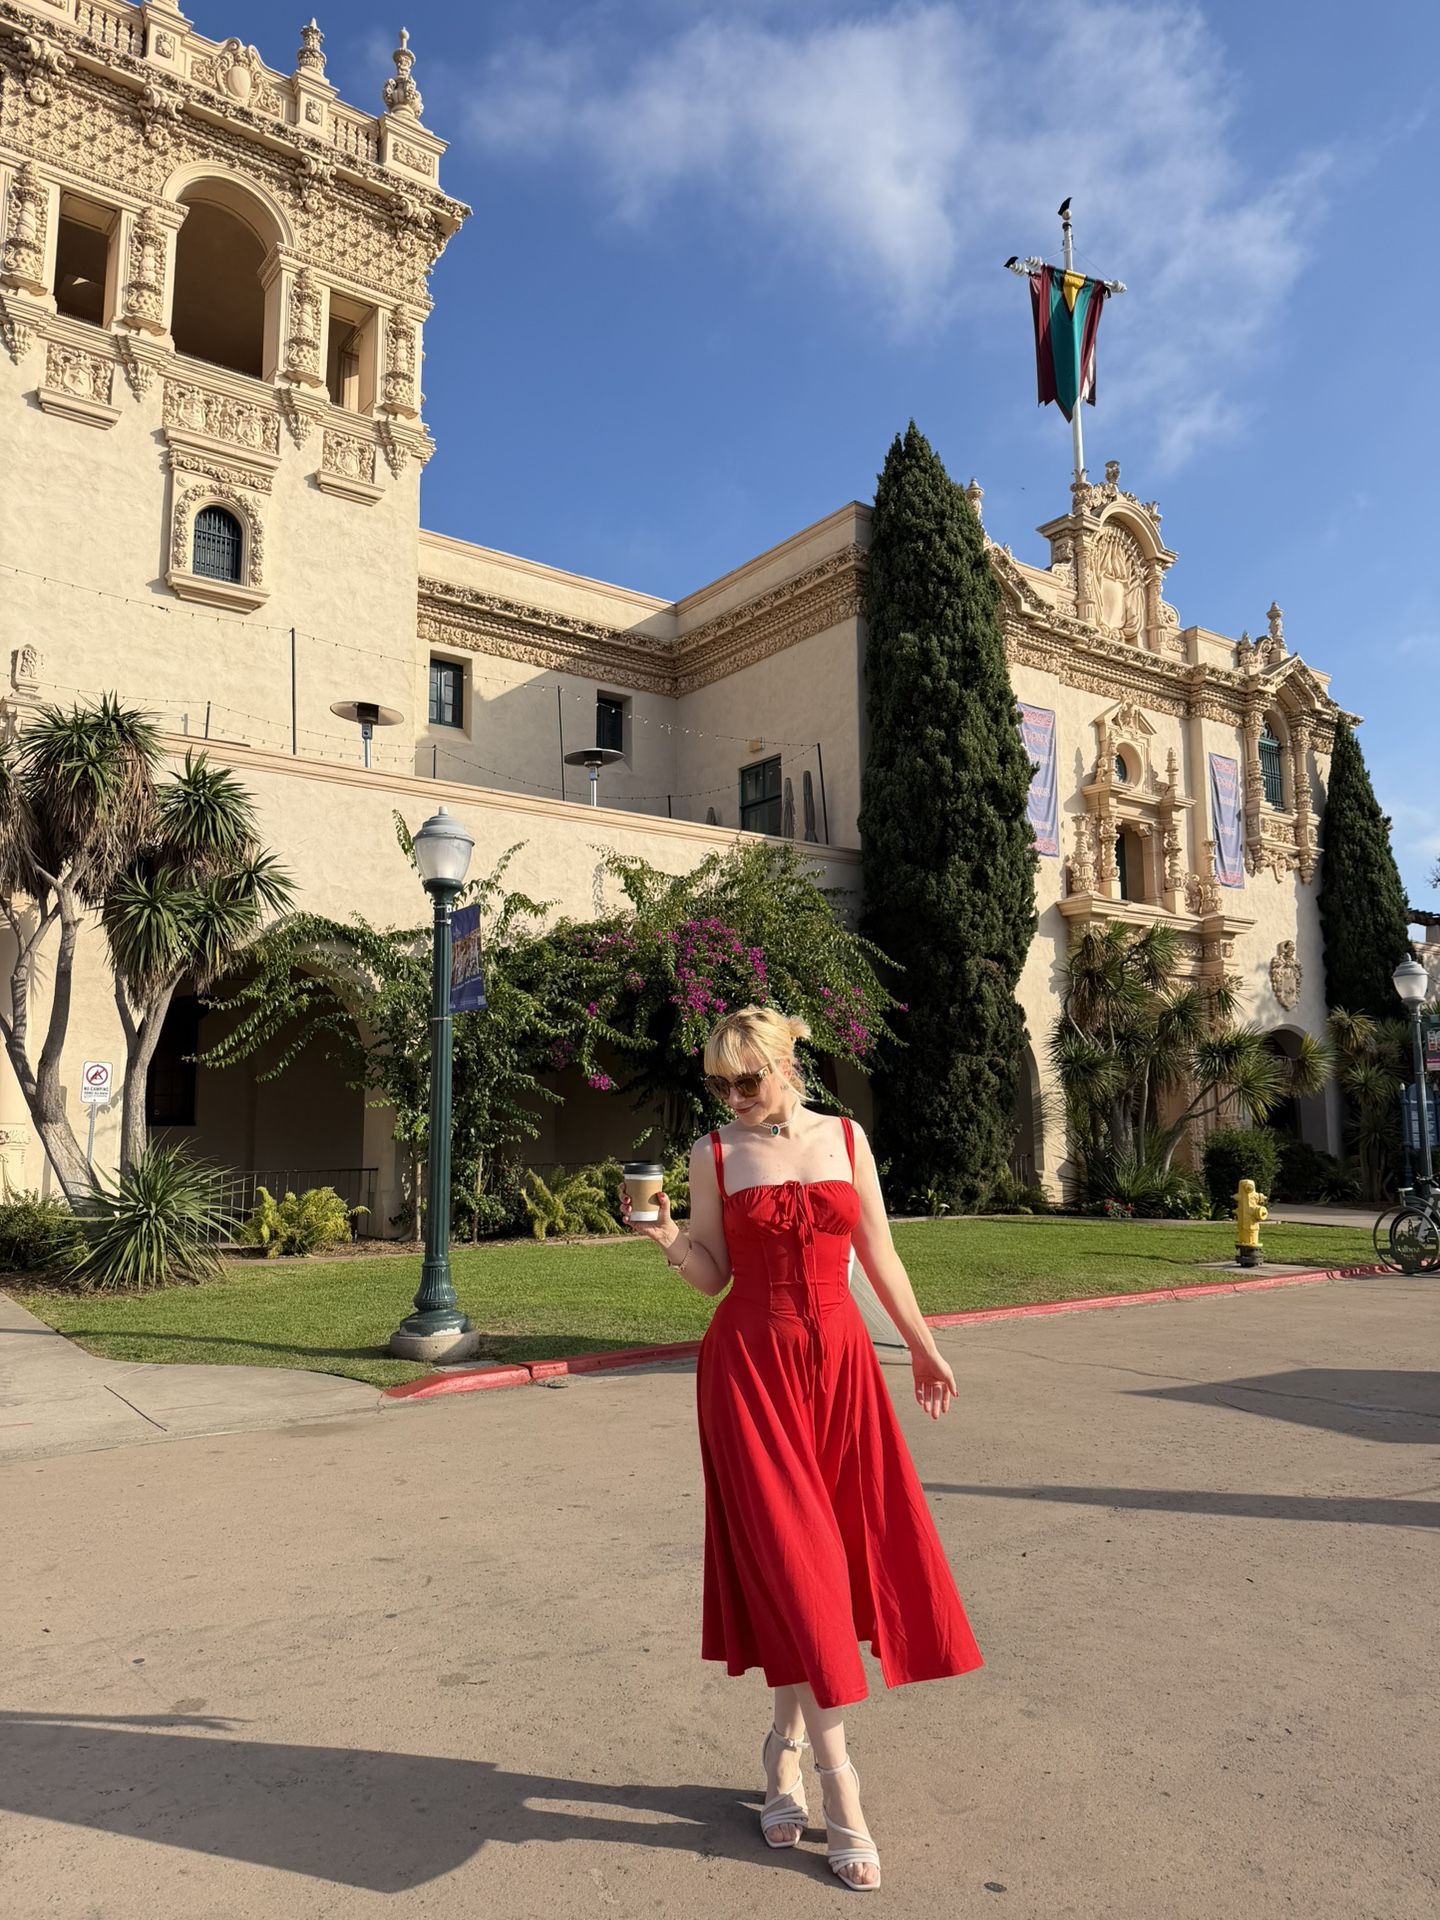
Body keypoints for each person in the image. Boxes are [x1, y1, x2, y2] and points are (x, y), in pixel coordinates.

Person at [622, 1005, 984, 1891]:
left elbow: (881, 1255)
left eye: (748, 1079)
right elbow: (714, 1276)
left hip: (842, 1368)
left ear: (789, 1063)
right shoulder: (715, 1154)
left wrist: (924, 1346)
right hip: (750, 1371)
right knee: (798, 1563)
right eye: (720, 1084)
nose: (734, 1096)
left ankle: (781, 1746)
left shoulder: (847, 1140)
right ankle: (840, 1785)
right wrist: (667, 1237)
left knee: (825, 1564)